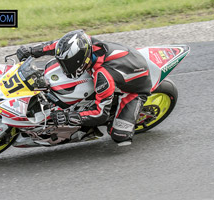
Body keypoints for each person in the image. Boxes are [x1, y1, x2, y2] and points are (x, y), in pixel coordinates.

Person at [16, 30, 152, 146]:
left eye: (67, 64)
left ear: (81, 61)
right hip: (126, 61)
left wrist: (68, 116)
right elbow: (58, 45)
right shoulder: (84, 43)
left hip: (136, 89)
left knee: (119, 135)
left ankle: (118, 117)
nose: (64, 68)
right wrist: (32, 51)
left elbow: (100, 114)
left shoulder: (103, 77)